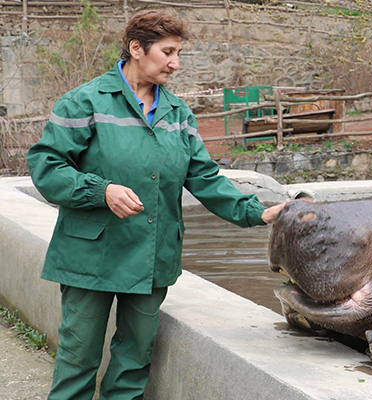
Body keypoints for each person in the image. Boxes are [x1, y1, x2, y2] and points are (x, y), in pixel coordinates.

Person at [26, 10, 287, 400]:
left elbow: (204, 177)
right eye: (167, 52)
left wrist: (257, 212)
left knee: (134, 361)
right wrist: (102, 191)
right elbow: (46, 166)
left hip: (153, 256)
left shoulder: (177, 114)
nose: (175, 63)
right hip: (90, 256)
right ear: (136, 48)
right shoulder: (85, 101)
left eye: (178, 53)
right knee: (78, 359)